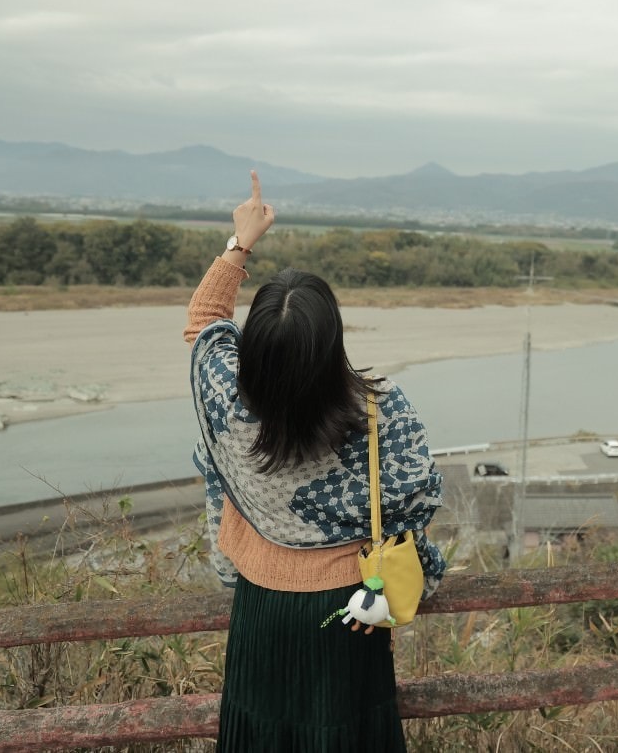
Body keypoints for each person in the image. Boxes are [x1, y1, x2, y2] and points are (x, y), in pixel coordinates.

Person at [184, 171, 445, 751]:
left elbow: (202, 325)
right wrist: (417, 569)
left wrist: (241, 242)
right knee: (347, 736)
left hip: (262, 603)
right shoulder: (379, 408)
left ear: (252, 346)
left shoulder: (226, 395)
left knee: (262, 734)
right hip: (354, 606)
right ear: (333, 343)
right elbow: (419, 497)